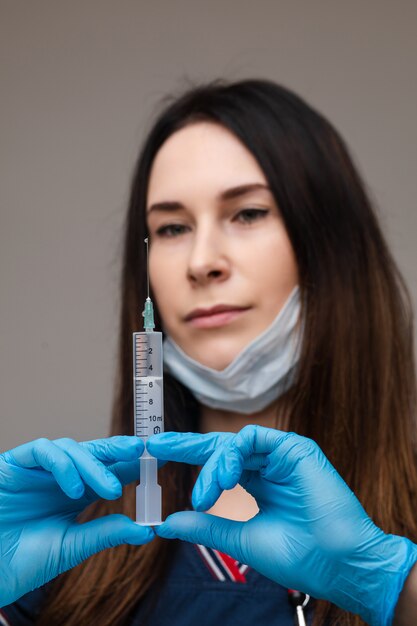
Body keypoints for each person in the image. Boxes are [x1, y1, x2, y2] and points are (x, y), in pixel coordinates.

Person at [2, 78, 417, 626]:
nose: (201, 261)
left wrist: (390, 582)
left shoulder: (392, 551)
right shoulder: (69, 555)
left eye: (247, 213)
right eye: (172, 227)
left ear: (332, 248)